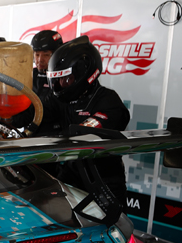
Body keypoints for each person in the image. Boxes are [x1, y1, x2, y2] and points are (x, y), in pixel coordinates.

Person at [46, 36, 131, 205]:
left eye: (67, 79)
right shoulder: (59, 100)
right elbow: (36, 114)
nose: (61, 84)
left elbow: (85, 135)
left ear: (83, 74)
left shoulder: (108, 100)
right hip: (68, 177)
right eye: (58, 79)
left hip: (104, 182)